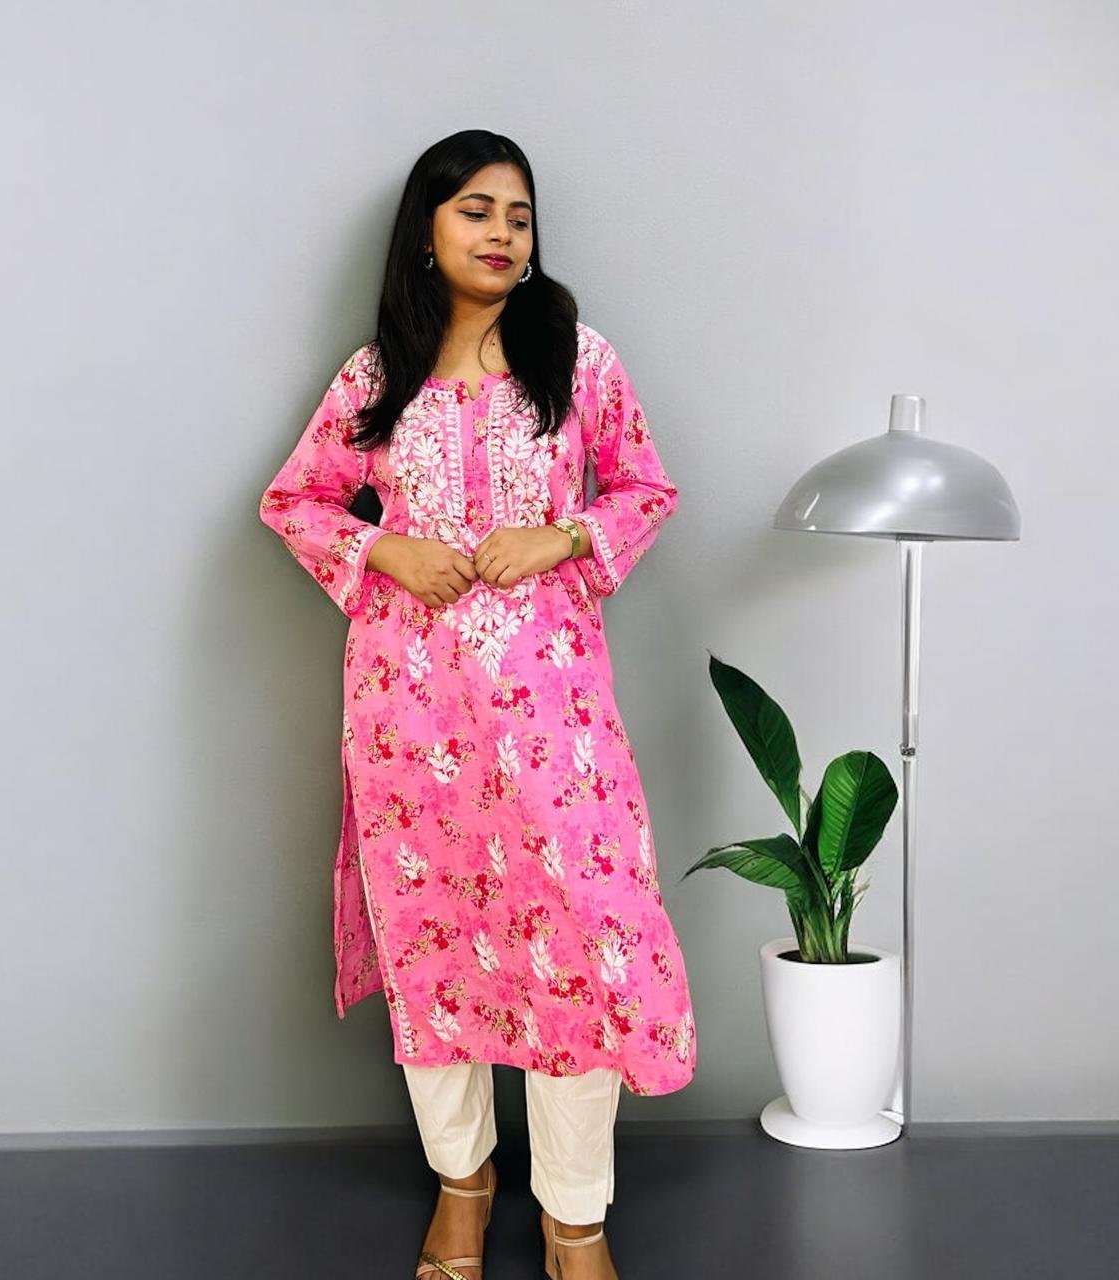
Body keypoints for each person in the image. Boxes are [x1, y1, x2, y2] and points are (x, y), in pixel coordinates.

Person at [260, 129, 696, 1280]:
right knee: (433, 942)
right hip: (409, 711)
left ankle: (574, 1213)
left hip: (554, 708)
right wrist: (385, 549)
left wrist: (562, 533)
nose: (501, 231)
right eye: (474, 210)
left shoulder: (576, 358)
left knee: (579, 939)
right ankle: (463, 1180)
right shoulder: (376, 375)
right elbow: (294, 500)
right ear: (426, 230)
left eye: (517, 213)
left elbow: (646, 487)